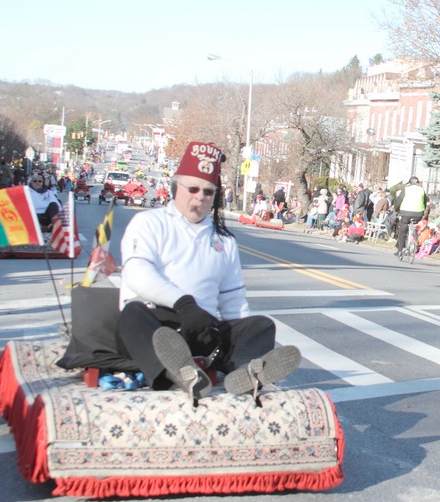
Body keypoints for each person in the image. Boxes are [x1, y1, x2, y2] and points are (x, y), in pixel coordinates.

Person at [108, 141, 300, 402]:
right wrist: (183, 303)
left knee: (261, 326)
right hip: (158, 321)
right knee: (131, 314)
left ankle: (244, 372)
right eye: (194, 189)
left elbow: (233, 302)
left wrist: (238, 328)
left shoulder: (225, 241)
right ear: (177, 187)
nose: (200, 197)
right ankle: (176, 373)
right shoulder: (148, 223)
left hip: (204, 329)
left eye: (208, 192)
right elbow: (136, 272)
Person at [393, 176, 427, 258]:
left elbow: (399, 200)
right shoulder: (421, 190)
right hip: (418, 213)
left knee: (402, 230)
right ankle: (414, 236)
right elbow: (425, 202)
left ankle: (400, 250)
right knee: (415, 225)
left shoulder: (406, 189)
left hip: (406, 213)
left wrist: (396, 209)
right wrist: (423, 211)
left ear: (410, 182)